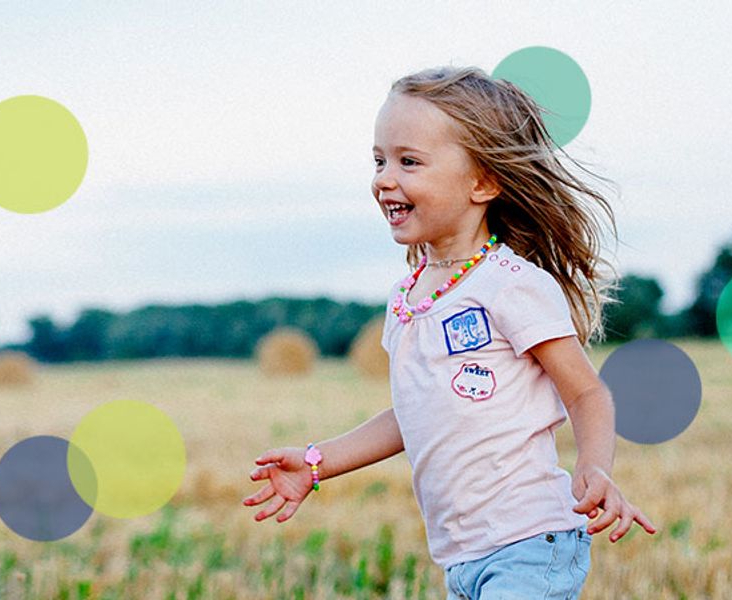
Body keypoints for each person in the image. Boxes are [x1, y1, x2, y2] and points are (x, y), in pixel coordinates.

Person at [242, 66, 658, 599]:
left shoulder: (511, 286)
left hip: (530, 543)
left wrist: (595, 467)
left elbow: (585, 391)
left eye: (408, 161)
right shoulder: (408, 299)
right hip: (461, 557)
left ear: (482, 182)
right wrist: (320, 461)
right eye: (379, 160)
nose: (384, 178)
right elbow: (413, 411)